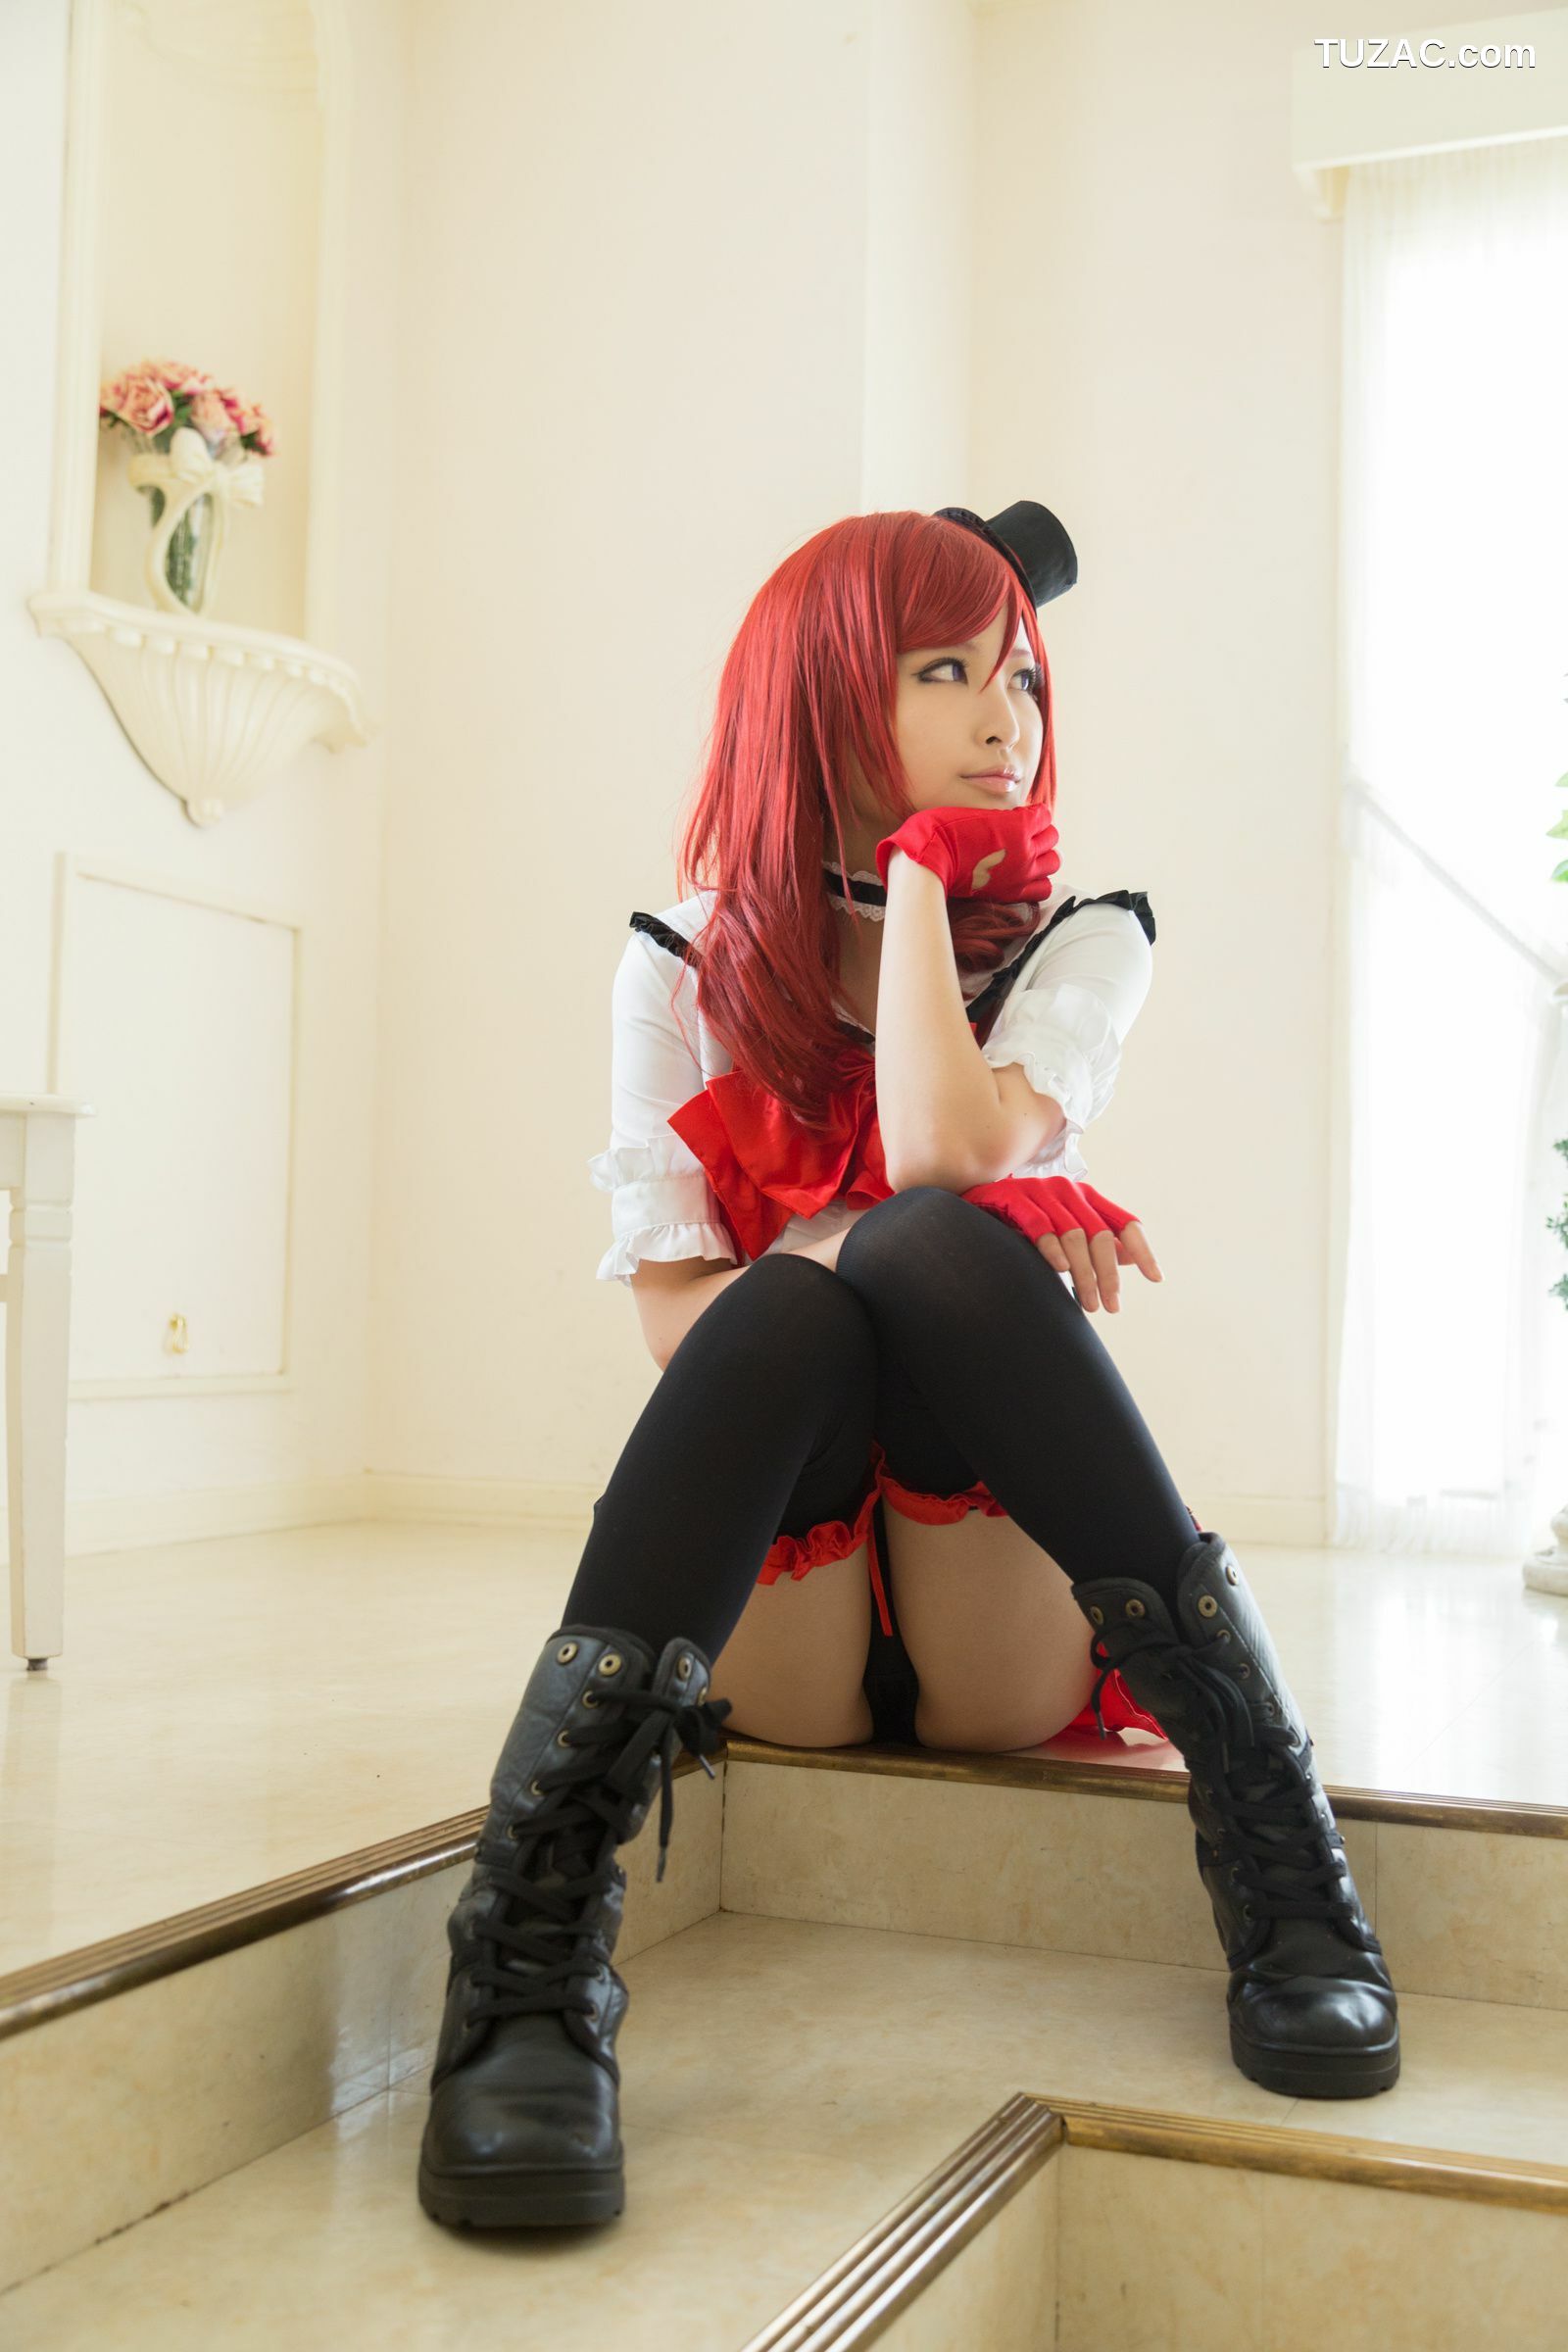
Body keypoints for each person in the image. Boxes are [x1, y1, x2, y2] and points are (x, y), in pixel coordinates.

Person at [416, 502, 1399, 2234]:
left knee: (934, 1242)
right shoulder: (684, 959)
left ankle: (1275, 1838)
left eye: (1022, 675)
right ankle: (531, 1953)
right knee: (807, 1306)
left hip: (987, 1626)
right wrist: (850, 1251)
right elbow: (676, 1323)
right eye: (945, 670)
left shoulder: (1089, 935)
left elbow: (943, 1153)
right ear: (820, 692)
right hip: (784, 1611)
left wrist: (933, 879)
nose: (1005, 712)